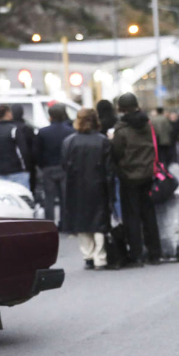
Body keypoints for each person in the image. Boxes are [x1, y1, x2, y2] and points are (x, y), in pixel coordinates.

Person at [111, 93, 162, 267]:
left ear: (121, 109)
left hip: (129, 176)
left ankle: (136, 254)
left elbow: (116, 152)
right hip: (148, 174)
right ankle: (155, 253)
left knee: (131, 216)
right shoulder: (148, 124)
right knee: (149, 214)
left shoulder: (121, 129)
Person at [62, 109, 115, 270]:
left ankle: (88, 256)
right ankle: (101, 257)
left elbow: (65, 166)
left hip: (76, 185)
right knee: (99, 221)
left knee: (82, 221)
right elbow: (109, 169)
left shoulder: (69, 141)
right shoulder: (102, 140)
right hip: (98, 184)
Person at [33, 104, 75, 227]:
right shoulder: (70, 131)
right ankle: (65, 223)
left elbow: (37, 152)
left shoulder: (43, 132)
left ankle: (49, 224)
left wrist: (42, 165)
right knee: (65, 198)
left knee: (49, 198)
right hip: (64, 168)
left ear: (50, 116)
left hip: (48, 167)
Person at [0, 105, 32, 188]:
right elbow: (23, 151)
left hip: (0, 171)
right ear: (7, 113)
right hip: (17, 171)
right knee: (22, 197)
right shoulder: (14, 129)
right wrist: (26, 167)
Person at [11, 105, 37, 194]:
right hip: (27, 165)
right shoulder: (27, 128)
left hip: (11, 166)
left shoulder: (9, 128)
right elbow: (33, 148)